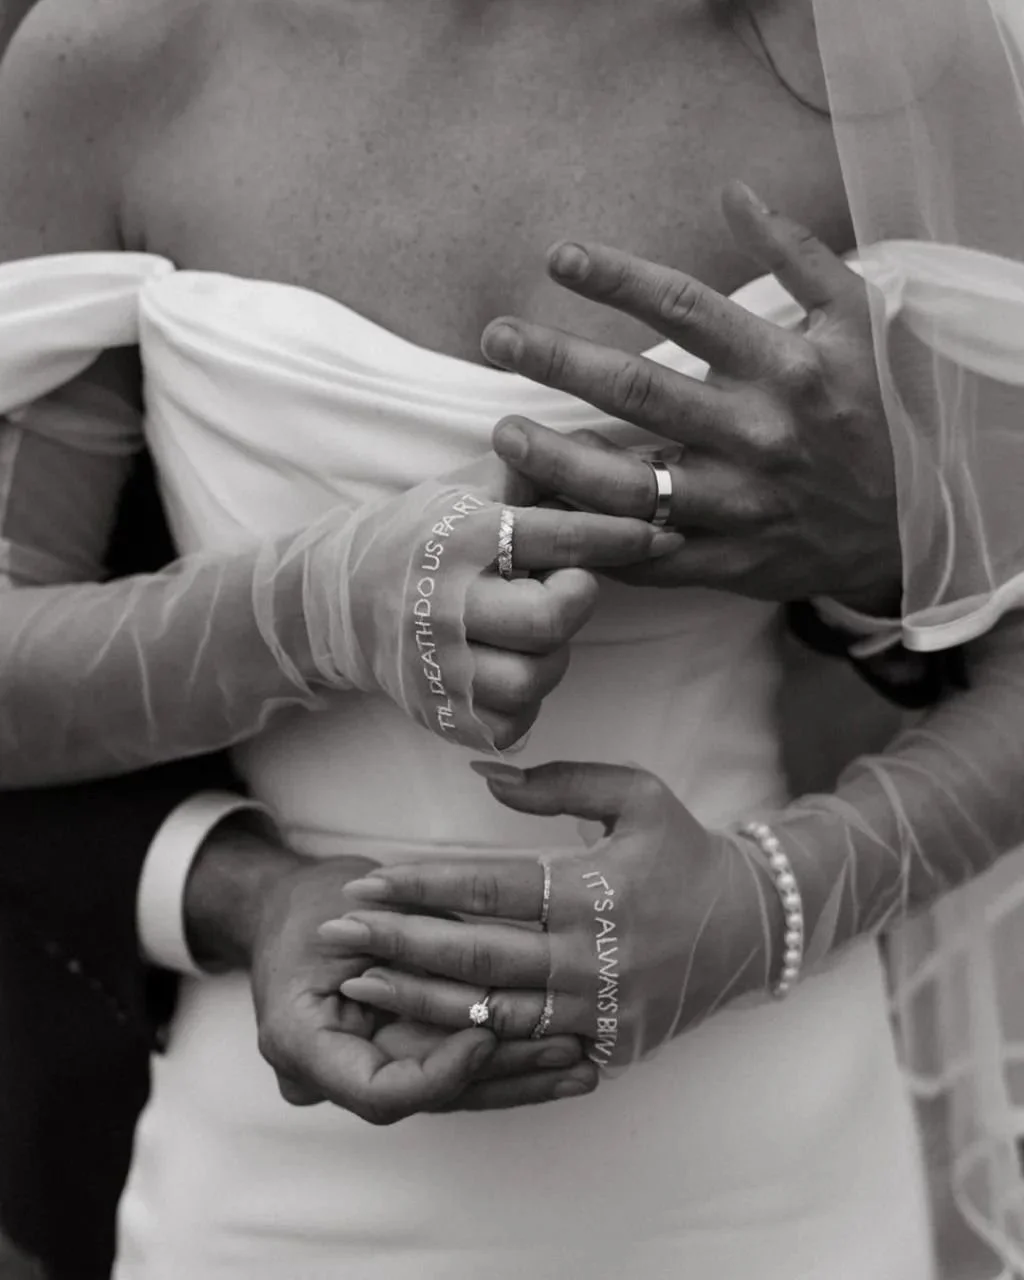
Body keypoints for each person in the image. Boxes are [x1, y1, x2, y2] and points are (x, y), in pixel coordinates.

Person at [0, 0, 1021, 1276]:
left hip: (765, 1148)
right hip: (281, 1153)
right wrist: (301, 612)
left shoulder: (892, 64)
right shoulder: (121, 51)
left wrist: (774, 903)